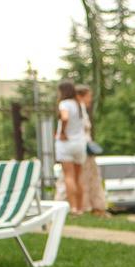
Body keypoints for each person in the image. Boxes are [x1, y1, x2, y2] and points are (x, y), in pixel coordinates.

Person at [55, 79, 87, 213]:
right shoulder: (79, 104)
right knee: (78, 177)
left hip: (66, 144)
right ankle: (80, 208)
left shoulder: (64, 104)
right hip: (79, 143)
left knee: (69, 176)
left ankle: (73, 207)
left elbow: (65, 117)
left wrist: (62, 132)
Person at [76, 85, 108, 216]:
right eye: (88, 96)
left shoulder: (80, 109)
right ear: (80, 96)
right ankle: (88, 206)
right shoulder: (78, 109)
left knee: (90, 178)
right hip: (83, 149)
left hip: (83, 149)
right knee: (87, 178)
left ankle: (94, 206)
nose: (90, 99)